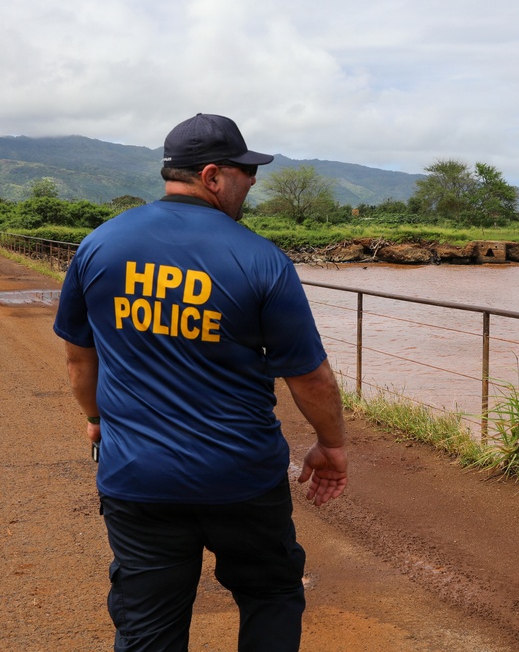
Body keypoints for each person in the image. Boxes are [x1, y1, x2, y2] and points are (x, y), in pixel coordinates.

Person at [53, 113, 348, 652]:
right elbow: (310, 376)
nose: (253, 182)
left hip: (138, 479)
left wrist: (97, 421)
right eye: (245, 172)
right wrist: (332, 445)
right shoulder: (261, 258)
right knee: (271, 595)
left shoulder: (99, 245)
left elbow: (79, 359)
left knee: (148, 625)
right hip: (242, 477)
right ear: (212, 176)